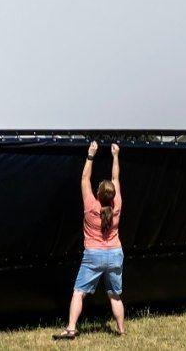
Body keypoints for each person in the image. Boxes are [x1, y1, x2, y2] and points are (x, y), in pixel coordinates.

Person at [54, 140, 124, 340]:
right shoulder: (117, 205)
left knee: (78, 292)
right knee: (115, 295)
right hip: (115, 253)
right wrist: (115, 156)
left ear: (98, 194)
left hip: (94, 255)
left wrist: (91, 154)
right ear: (113, 195)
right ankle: (121, 331)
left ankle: (71, 329)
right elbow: (115, 177)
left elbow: (85, 178)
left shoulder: (90, 206)